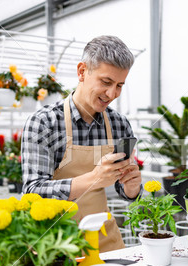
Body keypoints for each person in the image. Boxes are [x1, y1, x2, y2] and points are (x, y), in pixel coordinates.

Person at [21, 35, 142, 252]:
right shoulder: (44, 123)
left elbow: (122, 188)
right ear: (82, 72)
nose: (112, 94)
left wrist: (131, 188)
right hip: (54, 244)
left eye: (119, 85)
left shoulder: (119, 124)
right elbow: (32, 192)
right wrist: (95, 178)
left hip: (103, 241)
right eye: (106, 82)